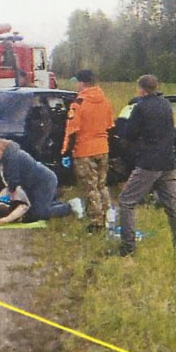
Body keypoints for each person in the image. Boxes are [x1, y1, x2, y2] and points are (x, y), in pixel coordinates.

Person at [116, 74, 176, 256]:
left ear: (141, 88)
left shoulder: (140, 107)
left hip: (149, 163)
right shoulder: (165, 104)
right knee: (173, 207)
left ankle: (128, 247)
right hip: (168, 162)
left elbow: (130, 133)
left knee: (126, 202)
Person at [61, 69, 114, 231]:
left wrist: (65, 152)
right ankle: (108, 215)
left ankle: (96, 222)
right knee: (101, 185)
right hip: (103, 149)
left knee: (90, 188)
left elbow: (72, 130)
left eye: (77, 82)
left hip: (84, 151)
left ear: (82, 83)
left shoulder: (79, 104)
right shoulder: (105, 101)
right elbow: (110, 126)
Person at [0, 138, 77, 224]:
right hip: (36, 182)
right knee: (35, 209)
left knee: (40, 213)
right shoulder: (12, 156)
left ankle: (70, 207)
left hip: (44, 182)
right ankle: (59, 204)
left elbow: (13, 181)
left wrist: (12, 195)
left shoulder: (12, 159)